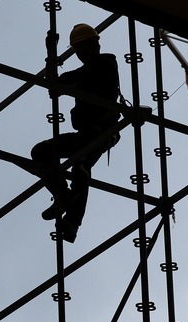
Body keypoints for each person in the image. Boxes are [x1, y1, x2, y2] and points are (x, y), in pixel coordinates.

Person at [31, 23, 121, 243]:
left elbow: (62, 85)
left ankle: (72, 221)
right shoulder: (84, 70)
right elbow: (53, 85)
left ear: (94, 44)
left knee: (80, 166)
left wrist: (61, 81)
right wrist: (50, 52)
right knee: (41, 152)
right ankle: (62, 195)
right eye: (77, 49)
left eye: (82, 48)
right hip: (85, 135)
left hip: (102, 132)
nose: (80, 54)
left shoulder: (106, 63)